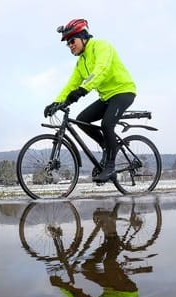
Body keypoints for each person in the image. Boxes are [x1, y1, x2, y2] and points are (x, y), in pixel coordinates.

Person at [44, 19, 137, 182]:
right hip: (107, 97)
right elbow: (71, 84)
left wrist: (82, 90)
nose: (70, 45)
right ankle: (107, 147)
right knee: (82, 120)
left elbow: (101, 70)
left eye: (72, 41)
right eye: (67, 43)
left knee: (107, 124)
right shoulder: (81, 62)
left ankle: (110, 167)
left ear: (83, 36)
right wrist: (56, 103)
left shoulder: (101, 46)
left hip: (124, 91)